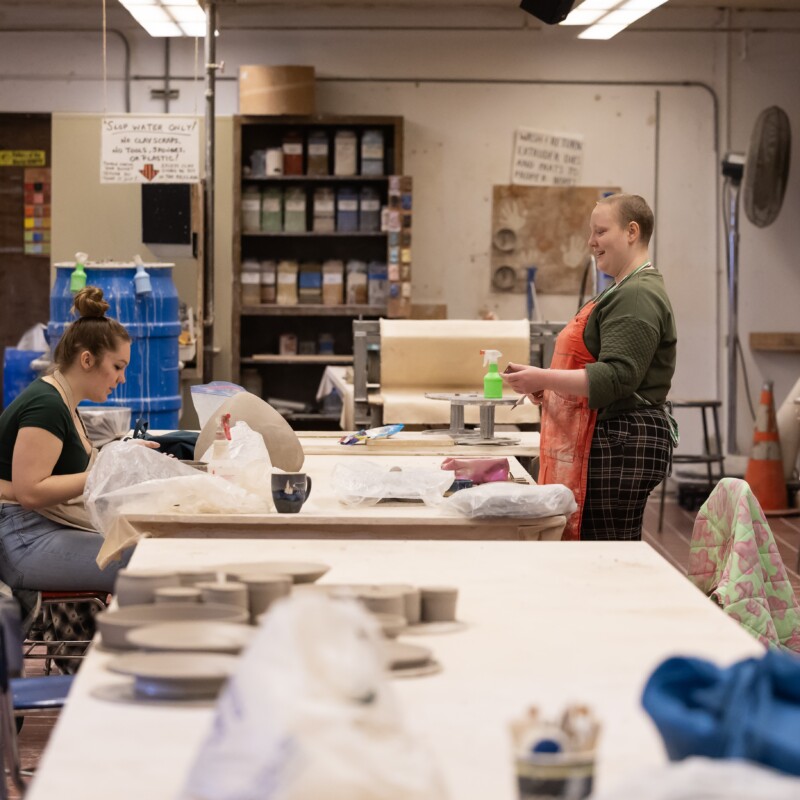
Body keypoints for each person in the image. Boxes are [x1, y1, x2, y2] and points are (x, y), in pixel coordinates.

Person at [503, 193, 676, 541]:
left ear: (631, 231)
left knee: (603, 554)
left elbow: (617, 377)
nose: (591, 242)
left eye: (600, 231)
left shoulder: (637, 294)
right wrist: (549, 385)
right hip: (612, 435)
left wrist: (542, 377)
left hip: (619, 440)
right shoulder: (621, 290)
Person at [0, 286, 159, 593]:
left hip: (41, 528)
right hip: (21, 538)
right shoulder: (46, 405)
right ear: (87, 360)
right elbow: (30, 492)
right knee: (148, 563)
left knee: (151, 545)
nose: (122, 379)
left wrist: (120, 454)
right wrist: (106, 470)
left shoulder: (64, 402)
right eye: (118, 367)